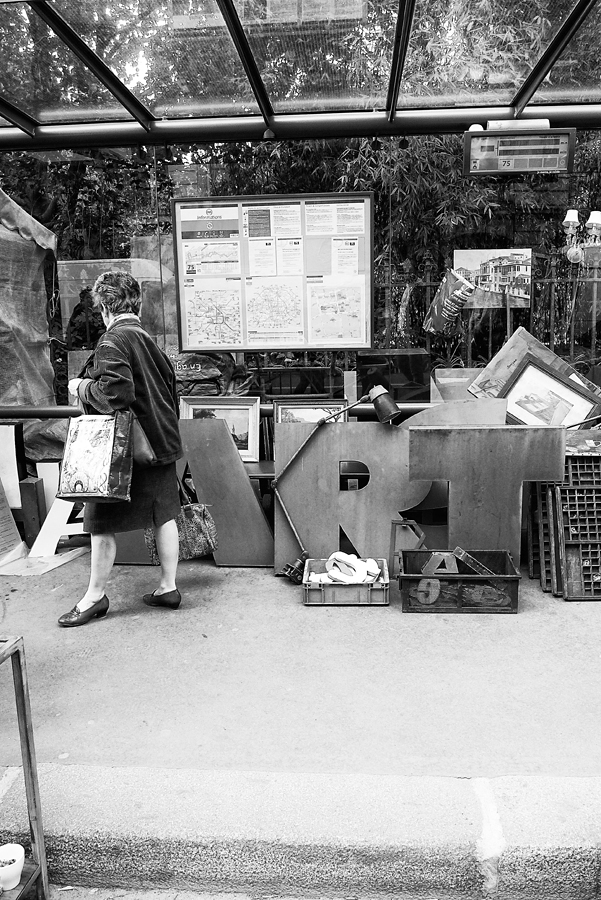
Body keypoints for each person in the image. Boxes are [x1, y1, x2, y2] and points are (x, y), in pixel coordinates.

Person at [59, 271, 183, 627]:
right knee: (164, 515)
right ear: (136, 304)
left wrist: (80, 387)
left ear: (103, 307)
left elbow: (115, 394)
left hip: (124, 451)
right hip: (161, 442)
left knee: (99, 522)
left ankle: (94, 599)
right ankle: (168, 587)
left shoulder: (112, 341)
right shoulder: (147, 338)